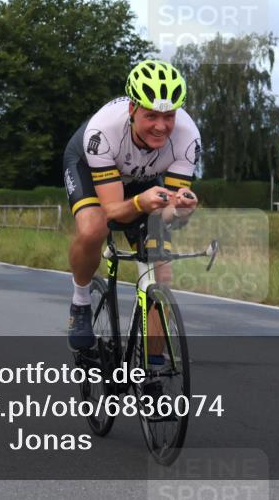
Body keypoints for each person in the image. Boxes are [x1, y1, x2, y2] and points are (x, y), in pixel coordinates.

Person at [62, 59, 200, 351]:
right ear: (132, 110)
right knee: (93, 228)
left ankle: (153, 372)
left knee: (160, 268)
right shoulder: (102, 132)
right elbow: (112, 211)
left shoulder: (188, 139)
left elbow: (168, 216)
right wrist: (140, 202)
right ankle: (81, 302)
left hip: (144, 178)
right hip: (89, 167)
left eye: (169, 117)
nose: (162, 127)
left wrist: (181, 210)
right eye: (151, 116)